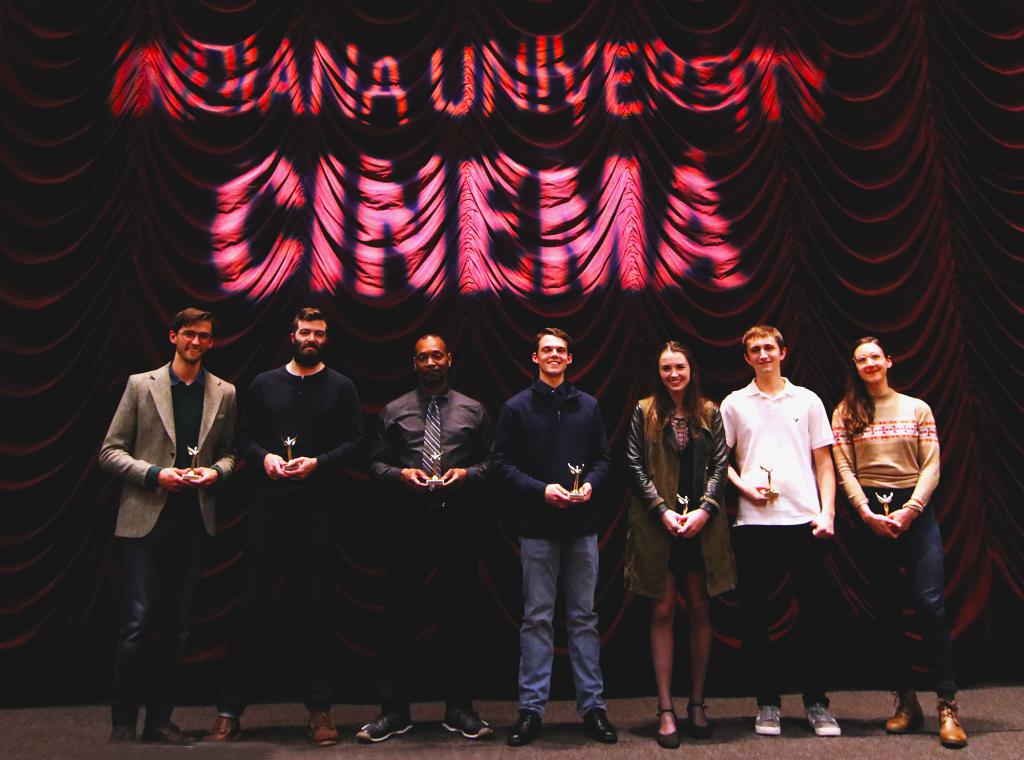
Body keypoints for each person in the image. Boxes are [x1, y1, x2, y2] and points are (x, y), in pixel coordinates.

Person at [204, 307, 363, 747]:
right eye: (306, 331)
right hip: (267, 510)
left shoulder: (342, 387)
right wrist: (265, 459)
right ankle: (228, 712)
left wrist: (320, 463)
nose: (312, 338)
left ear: (325, 339)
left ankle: (320, 712)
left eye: (319, 333)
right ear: (292, 335)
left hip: (318, 511)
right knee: (251, 607)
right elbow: (243, 439)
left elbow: (356, 442)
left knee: (315, 610)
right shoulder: (263, 384)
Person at [99, 308, 237, 744]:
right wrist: (155, 475)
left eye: (205, 337)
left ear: (212, 343)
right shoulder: (142, 385)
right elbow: (110, 451)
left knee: (177, 629)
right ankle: (123, 723)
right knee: (137, 625)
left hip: (193, 522)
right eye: (190, 335)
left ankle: (160, 720)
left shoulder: (225, 392)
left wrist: (217, 472)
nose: (196, 343)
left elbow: (231, 453)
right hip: (146, 519)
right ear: (173, 336)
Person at [356, 334, 494, 743]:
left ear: (449, 359)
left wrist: (468, 474)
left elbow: (494, 463)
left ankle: (460, 710)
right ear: (414, 363)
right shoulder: (394, 410)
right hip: (407, 524)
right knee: (399, 617)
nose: (431, 362)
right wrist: (401, 475)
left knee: (461, 617)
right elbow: (375, 464)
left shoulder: (474, 409)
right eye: (423, 357)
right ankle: (395, 712)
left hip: (459, 523)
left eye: (437, 355)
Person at [831, 337, 966, 749]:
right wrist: (864, 512)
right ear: (855, 367)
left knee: (929, 603)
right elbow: (844, 468)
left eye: (875, 357)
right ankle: (907, 702)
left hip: (915, 511)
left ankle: (947, 705)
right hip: (870, 514)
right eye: (861, 360)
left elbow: (932, 465)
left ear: (889, 361)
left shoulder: (917, 408)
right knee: (887, 609)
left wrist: (912, 509)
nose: (869, 364)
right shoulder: (844, 412)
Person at [490, 328, 616, 747]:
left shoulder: (589, 406)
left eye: (561, 350)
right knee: (537, 619)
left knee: (583, 618)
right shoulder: (516, 408)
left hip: (581, 528)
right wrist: (541, 490)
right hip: (538, 529)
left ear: (570, 359)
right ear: (535, 357)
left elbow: (603, 459)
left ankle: (593, 709)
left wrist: (592, 486)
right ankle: (531, 711)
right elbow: (501, 464)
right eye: (547, 350)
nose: (554, 356)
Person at [720, 324, 841, 737]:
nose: (763, 354)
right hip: (753, 523)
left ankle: (817, 704)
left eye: (769, 347)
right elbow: (723, 463)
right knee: (756, 618)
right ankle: (767, 703)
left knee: (816, 616)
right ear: (747, 358)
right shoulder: (734, 404)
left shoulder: (807, 400)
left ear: (783, 352)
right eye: (754, 349)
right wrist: (743, 487)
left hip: (803, 520)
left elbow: (824, 461)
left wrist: (828, 514)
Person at [624, 341, 736, 747]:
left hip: (702, 526)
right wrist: (661, 511)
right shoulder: (643, 411)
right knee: (664, 610)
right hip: (660, 527)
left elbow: (722, 464)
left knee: (702, 608)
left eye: (679, 367)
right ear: (658, 372)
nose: (673, 374)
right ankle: (666, 707)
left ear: (691, 370)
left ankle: (698, 703)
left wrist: (705, 509)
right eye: (666, 368)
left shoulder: (710, 410)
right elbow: (634, 464)